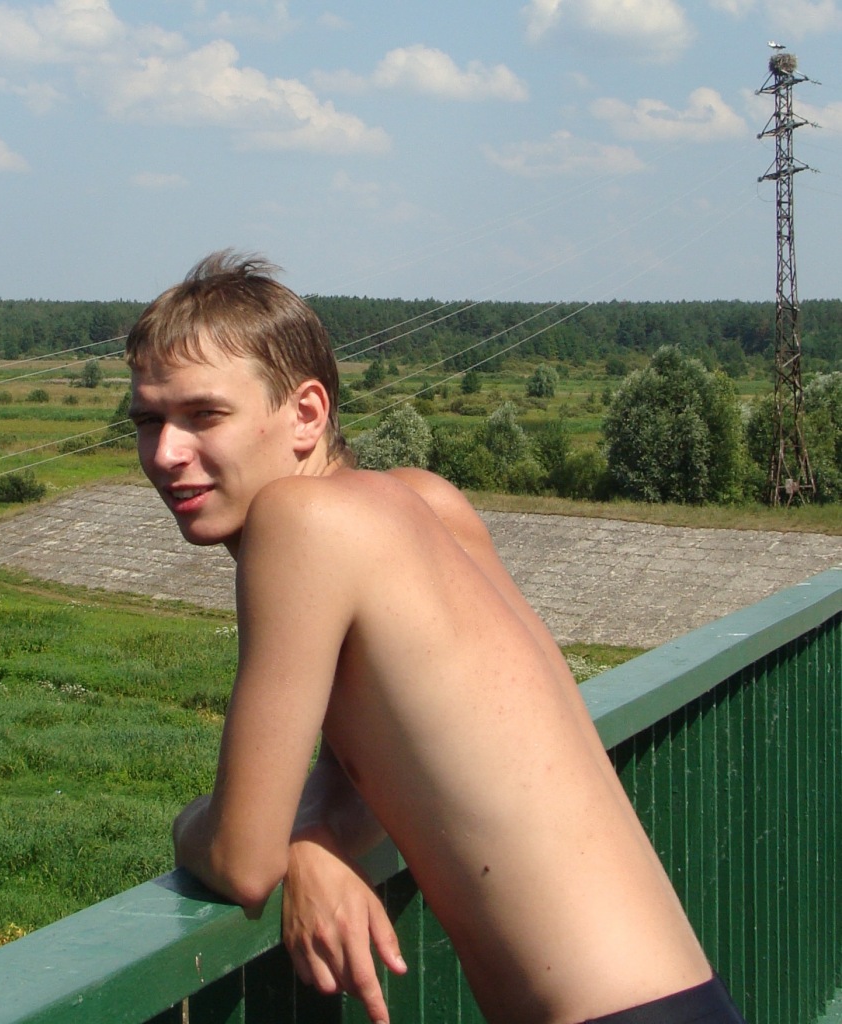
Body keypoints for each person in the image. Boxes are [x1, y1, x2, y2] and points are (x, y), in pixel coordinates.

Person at [124, 252, 746, 1024]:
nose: (165, 453)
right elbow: (386, 762)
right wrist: (312, 838)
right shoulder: (424, 503)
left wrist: (189, 823)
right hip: (684, 998)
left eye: (203, 415)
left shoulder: (298, 521)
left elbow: (240, 861)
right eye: (148, 420)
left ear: (307, 413)